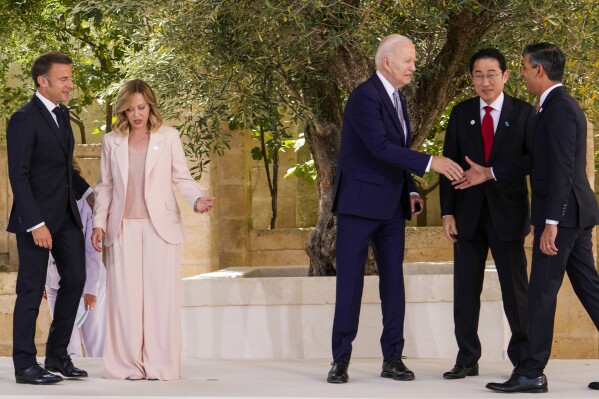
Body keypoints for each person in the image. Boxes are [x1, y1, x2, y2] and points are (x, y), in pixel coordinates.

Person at [327, 34, 464, 384]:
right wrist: (432, 162)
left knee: (393, 285)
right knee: (350, 285)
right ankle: (340, 361)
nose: (413, 67)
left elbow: (396, 153)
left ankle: (393, 359)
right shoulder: (363, 97)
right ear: (387, 61)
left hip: (391, 207)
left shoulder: (398, 99)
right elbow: (379, 147)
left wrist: (411, 189)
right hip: (358, 207)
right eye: (408, 60)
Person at [486, 43, 599, 393]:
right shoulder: (548, 107)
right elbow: (538, 163)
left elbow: (565, 169)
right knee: (590, 290)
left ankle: (531, 371)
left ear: (539, 70)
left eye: (522, 67)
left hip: (564, 218)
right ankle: (531, 369)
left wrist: (552, 221)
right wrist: (489, 172)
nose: (519, 73)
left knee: (540, 293)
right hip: (569, 215)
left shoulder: (561, 109)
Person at [91, 79, 215, 381]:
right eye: (131, 109)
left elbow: (182, 178)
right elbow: (105, 186)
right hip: (121, 228)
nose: (136, 114)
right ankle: (125, 366)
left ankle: (161, 366)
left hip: (162, 228)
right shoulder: (111, 141)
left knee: (160, 299)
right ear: (123, 110)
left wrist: (197, 200)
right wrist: (98, 223)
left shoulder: (168, 136)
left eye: (142, 108)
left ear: (150, 106)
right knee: (125, 300)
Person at [439, 48, 534, 379]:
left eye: (492, 74)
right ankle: (466, 357)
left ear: (505, 76)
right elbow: (448, 163)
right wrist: (447, 212)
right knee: (465, 289)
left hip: (508, 213)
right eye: (478, 75)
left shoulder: (524, 113)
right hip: (467, 214)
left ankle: (523, 357)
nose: (485, 81)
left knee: (516, 290)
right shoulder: (460, 112)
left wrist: (492, 172)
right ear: (472, 79)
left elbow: (531, 161)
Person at [7, 51, 91, 384]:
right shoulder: (24, 118)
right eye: (64, 79)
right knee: (30, 289)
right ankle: (25, 365)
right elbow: (19, 174)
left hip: (67, 215)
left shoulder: (63, 114)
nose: (70, 84)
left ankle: (57, 355)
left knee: (75, 278)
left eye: (70, 77)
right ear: (43, 81)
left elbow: (64, 169)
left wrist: (89, 194)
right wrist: (35, 223)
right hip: (37, 220)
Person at [45, 159, 106, 358]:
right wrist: (42, 281)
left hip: (90, 281)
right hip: (55, 281)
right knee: (66, 342)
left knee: (95, 342)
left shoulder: (84, 202)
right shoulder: (40, 200)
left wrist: (91, 289)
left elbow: (92, 249)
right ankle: (69, 378)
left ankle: (102, 382)